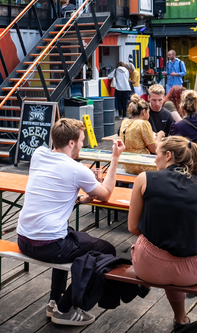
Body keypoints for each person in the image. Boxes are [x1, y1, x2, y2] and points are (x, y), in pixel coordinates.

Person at [16, 118, 125, 326]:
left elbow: (54, 186)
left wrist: (79, 198)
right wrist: (115, 158)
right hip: (50, 246)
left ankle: (53, 301)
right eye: (81, 141)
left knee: (68, 234)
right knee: (107, 250)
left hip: (24, 239)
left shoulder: (38, 155)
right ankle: (64, 309)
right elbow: (106, 194)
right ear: (72, 143)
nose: (83, 145)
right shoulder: (77, 169)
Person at [128, 136, 197, 330]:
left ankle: (146, 285)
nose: (154, 158)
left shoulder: (145, 179)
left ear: (168, 155)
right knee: (175, 245)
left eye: (156, 154)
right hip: (192, 272)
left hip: (149, 268)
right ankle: (181, 319)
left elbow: (133, 228)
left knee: (156, 244)